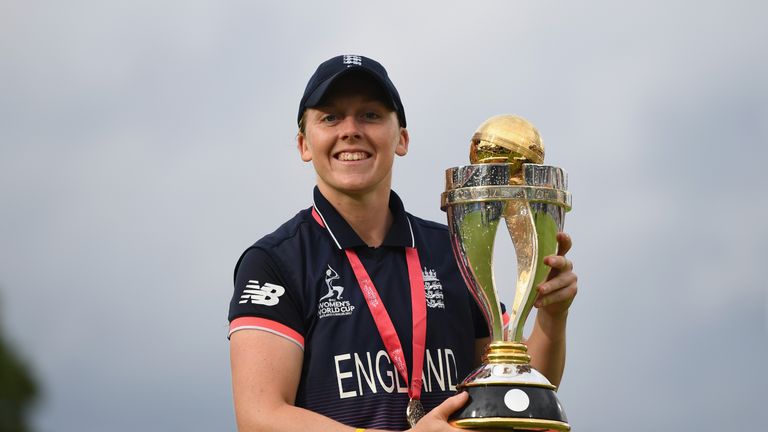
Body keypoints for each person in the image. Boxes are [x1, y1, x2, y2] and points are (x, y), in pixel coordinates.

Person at [228, 54, 578, 432]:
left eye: (371, 115)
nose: (350, 130)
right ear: (304, 144)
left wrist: (552, 318)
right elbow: (259, 416)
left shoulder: (453, 251)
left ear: (402, 138)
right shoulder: (275, 261)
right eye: (330, 117)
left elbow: (517, 396)